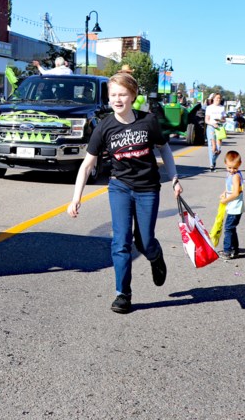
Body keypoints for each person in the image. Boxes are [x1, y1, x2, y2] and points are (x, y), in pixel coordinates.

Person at [68, 71, 183, 315]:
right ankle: (123, 294)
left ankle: (155, 255)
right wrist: (76, 198)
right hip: (119, 186)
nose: (117, 99)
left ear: (132, 96)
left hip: (148, 188)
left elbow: (165, 150)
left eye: (122, 94)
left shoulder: (148, 121)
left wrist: (174, 178)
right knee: (120, 242)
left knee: (145, 241)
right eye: (113, 95)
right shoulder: (104, 127)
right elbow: (87, 164)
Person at [218, 150, 245, 259]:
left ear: (239, 164)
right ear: (225, 164)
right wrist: (224, 193)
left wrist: (226, 200)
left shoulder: (236, 176)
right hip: (232, 206)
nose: (232, 170)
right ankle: (235, 249)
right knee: (232, 228)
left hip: (235, 207)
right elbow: (229, 188)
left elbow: (235, 193)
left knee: (228, 228)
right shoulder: (229, 174)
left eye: (235, 168)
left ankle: (227, 250)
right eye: (229, 167)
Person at [204, 93, 225, 171]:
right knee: (212, 147)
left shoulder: (222, 108)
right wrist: (212, 123)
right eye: (217, 98)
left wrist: (220, 121)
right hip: (211, 127)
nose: (218, 100)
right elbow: (206, 120)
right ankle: (211, 165)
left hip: (219, 128)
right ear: (213, 99)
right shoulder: (209, 108)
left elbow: (224, 119)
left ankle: (213, 160)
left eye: (219, 98)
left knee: (218, 149)